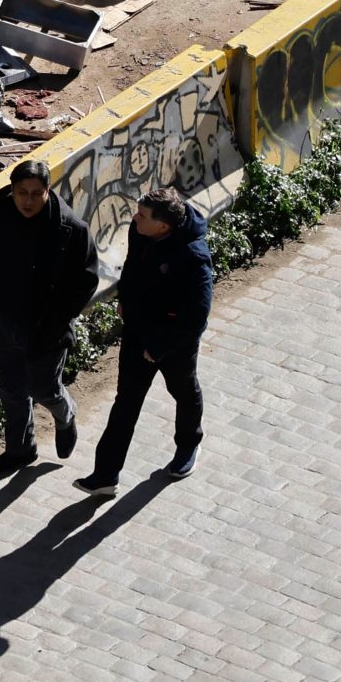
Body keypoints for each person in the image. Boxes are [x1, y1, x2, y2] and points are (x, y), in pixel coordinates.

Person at [0, 159, 101, 469]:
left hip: (46, 328)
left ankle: (66, 415)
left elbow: (86, 279)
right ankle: (20, 449)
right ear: (11, 191)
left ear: (48, 192)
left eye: (36, 193)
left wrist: (60, 318)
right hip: (3, 319)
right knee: (11, 388)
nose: (28, 200)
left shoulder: (71, 230)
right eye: (21, 192)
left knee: (44, 388)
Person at [76, 189, 214, 492]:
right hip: (138, 332)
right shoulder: (141, 231)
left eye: (142, 215)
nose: (134, 218)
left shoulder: (194, 258)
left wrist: (160, 348)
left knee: (183, 390)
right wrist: (125, 297)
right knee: (126, 401)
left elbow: (197, 317)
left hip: (172, 342)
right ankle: (105, 475)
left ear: (163, 226)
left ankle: (190, 443)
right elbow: (133, 267)